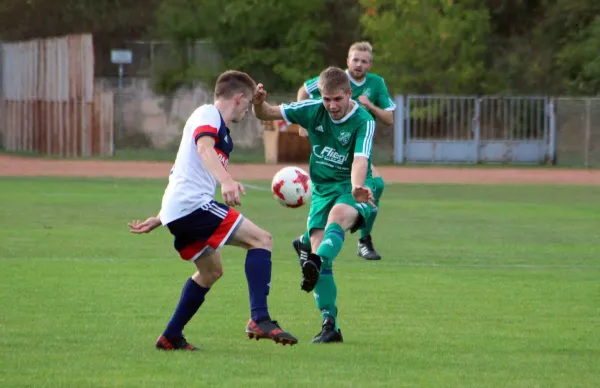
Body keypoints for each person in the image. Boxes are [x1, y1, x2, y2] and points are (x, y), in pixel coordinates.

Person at [128, 70, 298, 351]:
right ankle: (260, 318)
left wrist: (160, 217)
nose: (246, 113)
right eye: (246, 105)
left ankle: (170, 337)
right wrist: (226, 180)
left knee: (210, 272)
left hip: (179, 209)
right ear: (238, 98)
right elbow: (204, 148)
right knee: (262, 240)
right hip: (193, 207)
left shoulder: (216, 126)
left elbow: (182, 171)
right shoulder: (208, 113)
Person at [253, 66, 376, 343]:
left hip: (352, 189)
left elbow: (360, 159)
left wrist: (357, 186)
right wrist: (258, 104)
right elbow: (267, 114)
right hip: (320, 191)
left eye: (338, 99)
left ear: (349, 94)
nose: (332, 106)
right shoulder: (312, 109)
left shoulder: (364, 120)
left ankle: (312, 255)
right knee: (322, 258)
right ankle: (329, 324)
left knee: (338, 217)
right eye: (327, 99)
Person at [293, 41, 395, 261]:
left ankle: (362, 239)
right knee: (360, 189)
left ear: (370, 65)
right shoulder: (336, 79)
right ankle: (317, 240)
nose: (358, 64)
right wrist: (303, 124)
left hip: (357, 147)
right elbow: (303, 90)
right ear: (347, 61)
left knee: (374, 185)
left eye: (364, 61)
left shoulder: (376, 84)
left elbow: (389, 118)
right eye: (355, 59)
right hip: (334, 149)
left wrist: (371, 106)